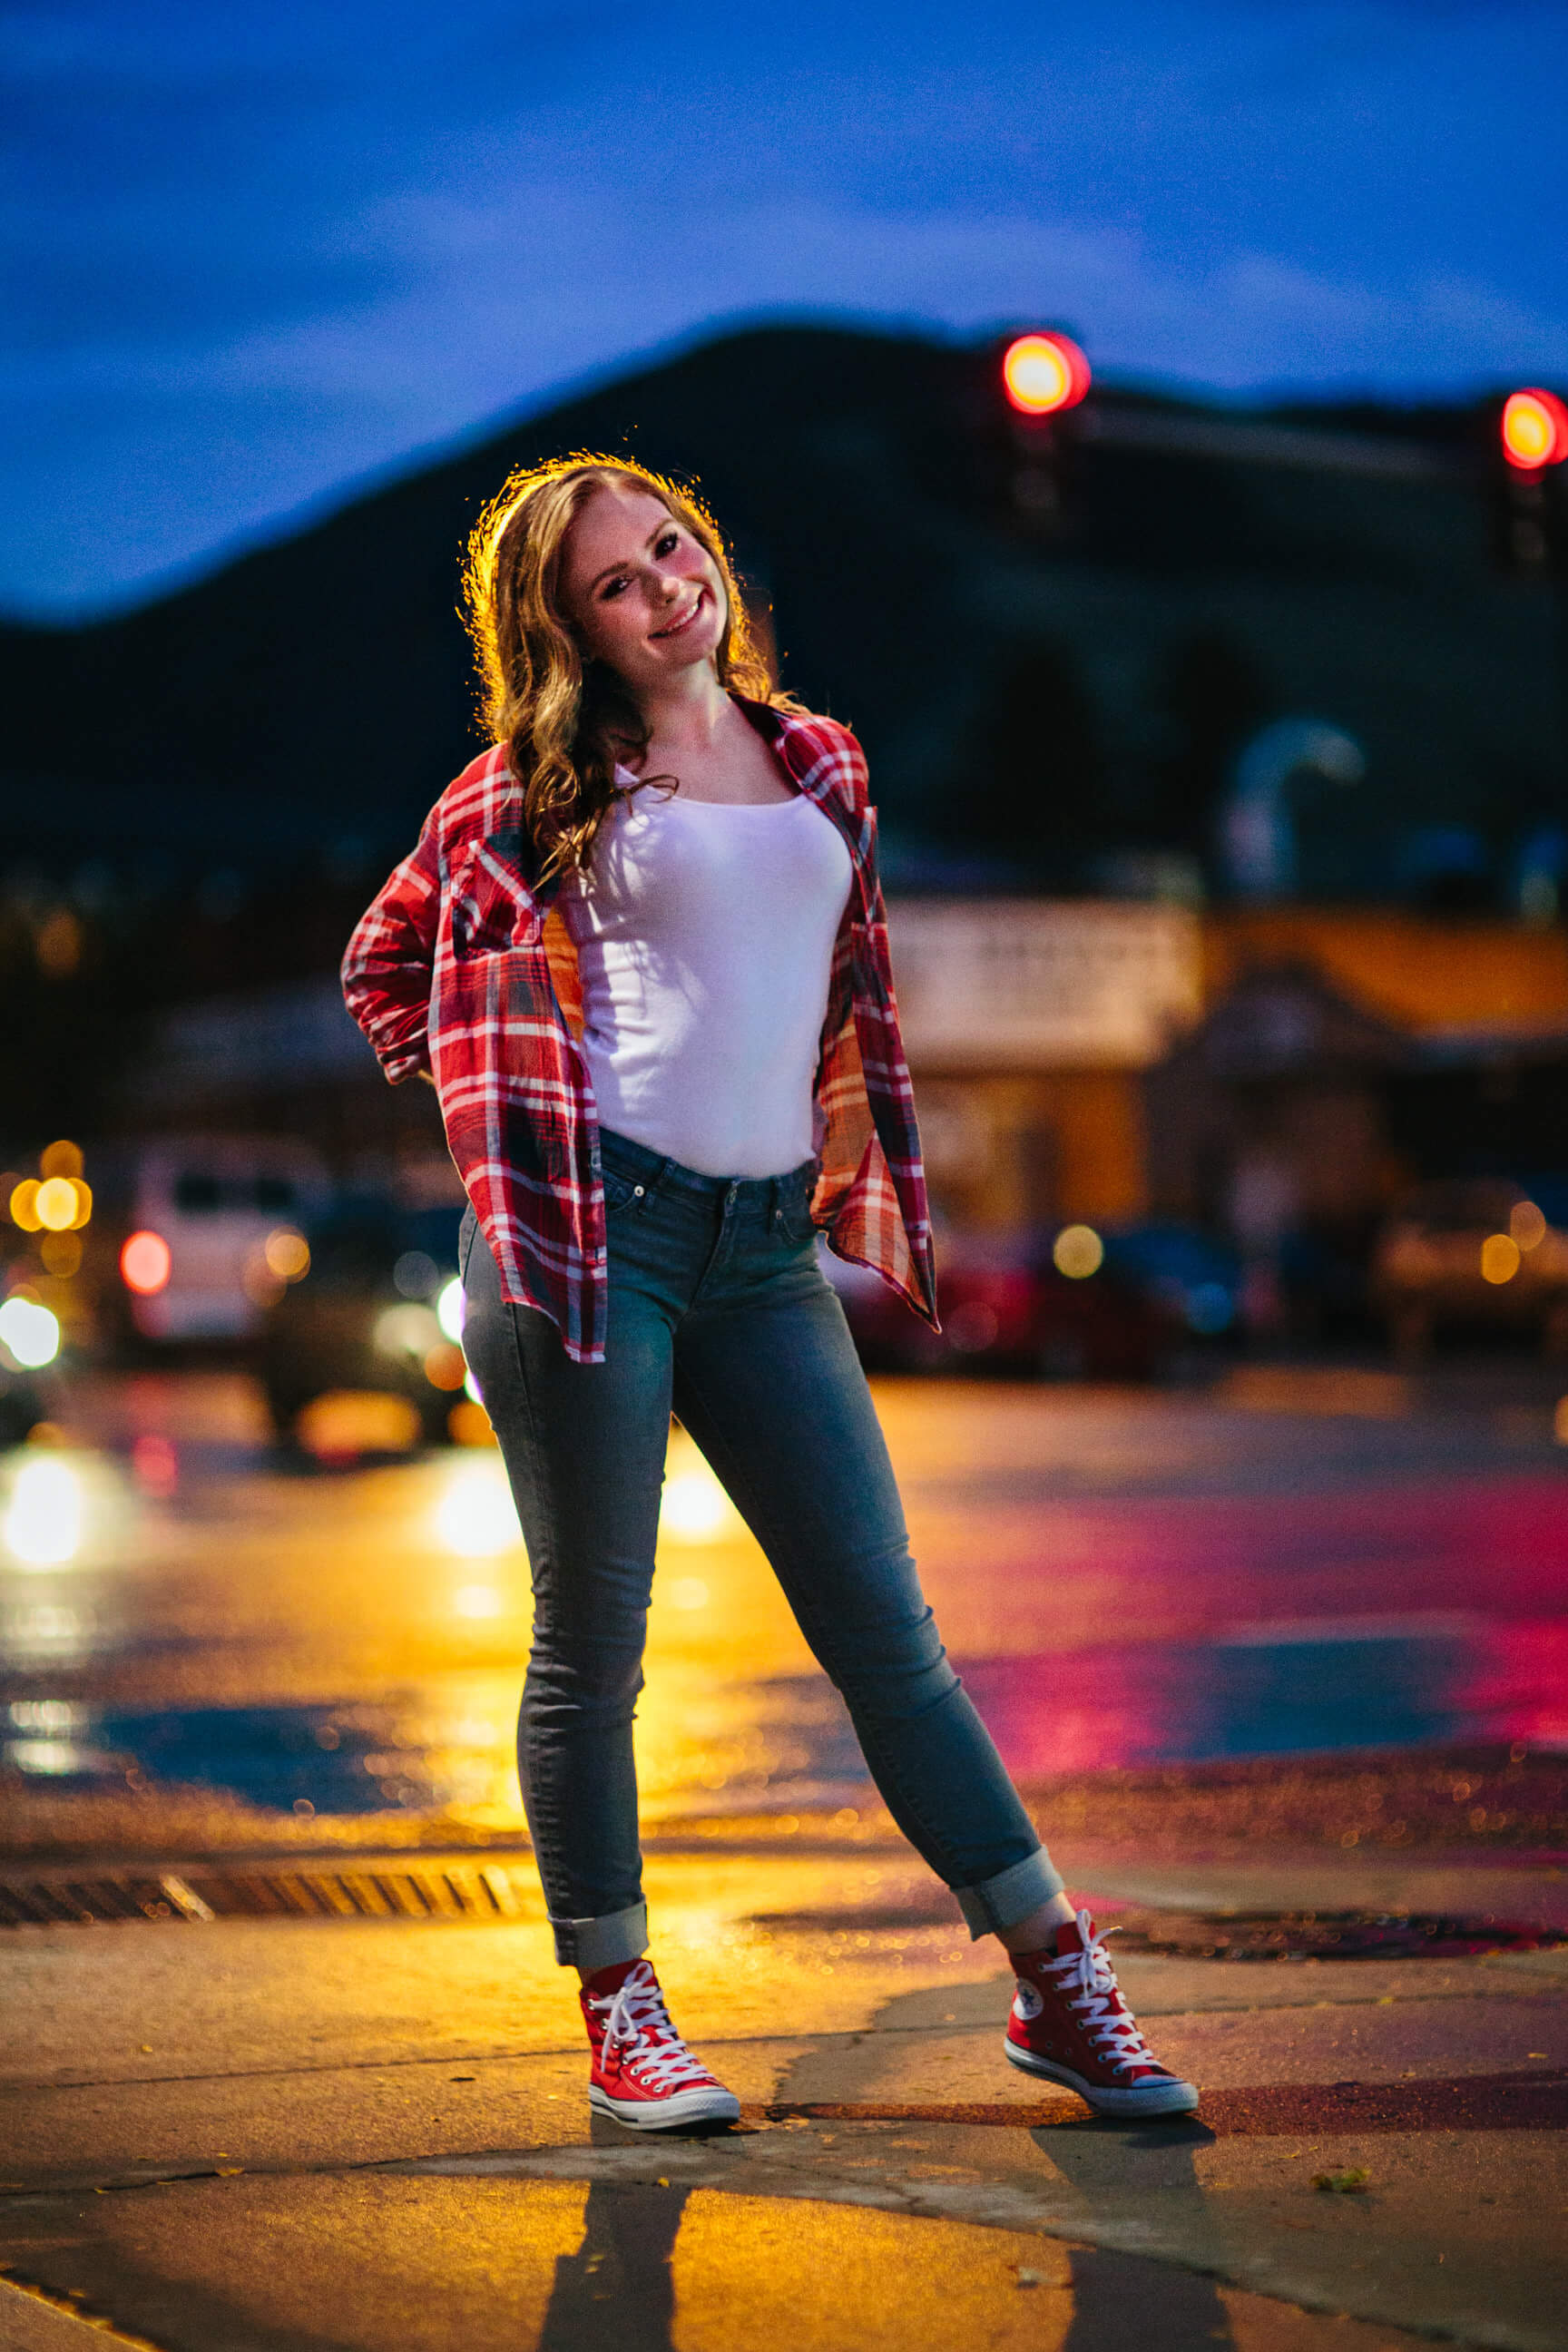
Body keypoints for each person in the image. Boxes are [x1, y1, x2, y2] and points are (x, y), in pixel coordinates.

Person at [343, 456, 1198, 2131]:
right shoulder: (526, 785)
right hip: (587, 1243)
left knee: (890, 1634)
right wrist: (508, 1112)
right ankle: (621, 2005)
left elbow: (839, 991)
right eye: (617, 582)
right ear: (567, 629)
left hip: (762, 1250)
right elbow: (390, 963)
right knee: (595, 1649)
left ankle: (1052, 1974)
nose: (666, 588)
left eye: (673, 550)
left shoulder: (820, 761)